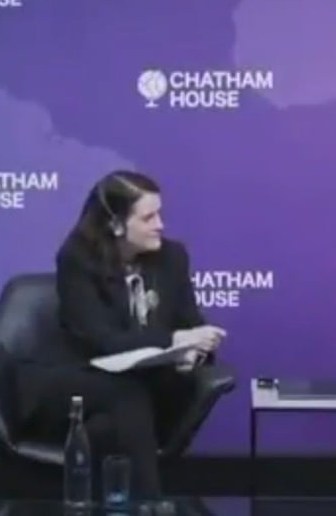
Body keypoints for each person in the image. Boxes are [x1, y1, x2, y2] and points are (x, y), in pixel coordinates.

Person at [14, 170, 227, 500]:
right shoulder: (77, 259)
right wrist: (175, 340)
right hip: (73, 378)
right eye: (148, 217)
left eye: (160, 214)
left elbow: (192, 324)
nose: (160, 225)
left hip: (138, 389)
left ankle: (106, 504)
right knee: (126, 395)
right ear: (115, 224)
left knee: (106, 428)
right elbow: (103, 341)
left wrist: (193, 354)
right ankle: (150, 505)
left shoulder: (172, 258)